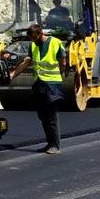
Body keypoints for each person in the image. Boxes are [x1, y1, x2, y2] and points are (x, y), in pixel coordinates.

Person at [27, 21, 67, 154]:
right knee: (43, 116)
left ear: (39, 34)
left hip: (52, 85)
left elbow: (63, 60)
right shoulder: (33, 45)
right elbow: (27, 61)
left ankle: (55, 146)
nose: (32, 41)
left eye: (33, 38)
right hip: (39, 84)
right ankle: (49, 143)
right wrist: (13, 74)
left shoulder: (55, 42)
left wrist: (60, 75)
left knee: (51, 116)